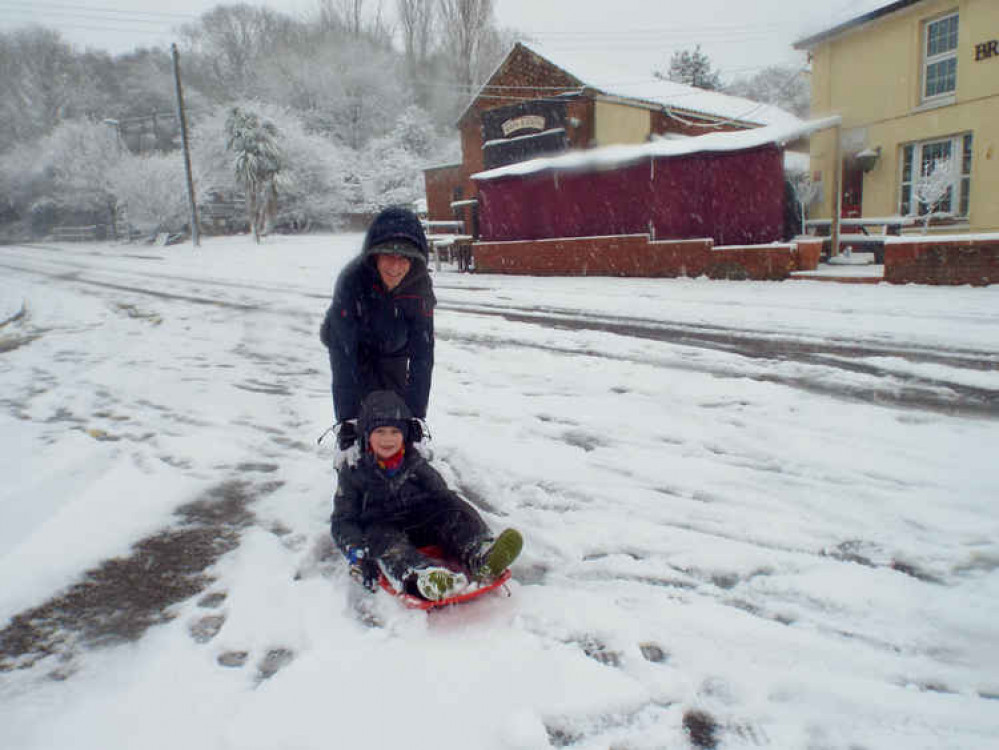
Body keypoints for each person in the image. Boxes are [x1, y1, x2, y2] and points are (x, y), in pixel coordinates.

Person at [331, 390, 523, 602]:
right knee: (384, 542)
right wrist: (357, 555)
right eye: (380, 432)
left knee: (453, 513)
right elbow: (343, 520)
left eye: (395, 432)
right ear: (367, 435)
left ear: (405, 435)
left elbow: (444, 496)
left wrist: (460, 515)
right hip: (385, 527)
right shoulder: (354, 473)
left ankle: (480, 555)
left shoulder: (416, 463)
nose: (388, 439)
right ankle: (423, 577)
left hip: (422, 523)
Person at [320, 206, 435, 452]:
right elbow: (343, 358)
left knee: (395, 415)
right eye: (388, 257)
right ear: (374, 256)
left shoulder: (420, 285)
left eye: (404, 258)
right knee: (361, 418)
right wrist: (346, 419)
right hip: (354, 346)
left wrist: (416, 415)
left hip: (394, 348)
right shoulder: (351, 281)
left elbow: (422, 352)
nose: (395, 267)